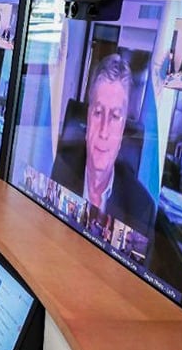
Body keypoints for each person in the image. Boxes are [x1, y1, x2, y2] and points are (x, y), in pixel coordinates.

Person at [50, 53, 156, 237]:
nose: (104, 131)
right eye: (98, 113)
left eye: (115, 117)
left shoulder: (141, 208)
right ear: (88, 118)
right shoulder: (60, 169)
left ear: (123, 128)